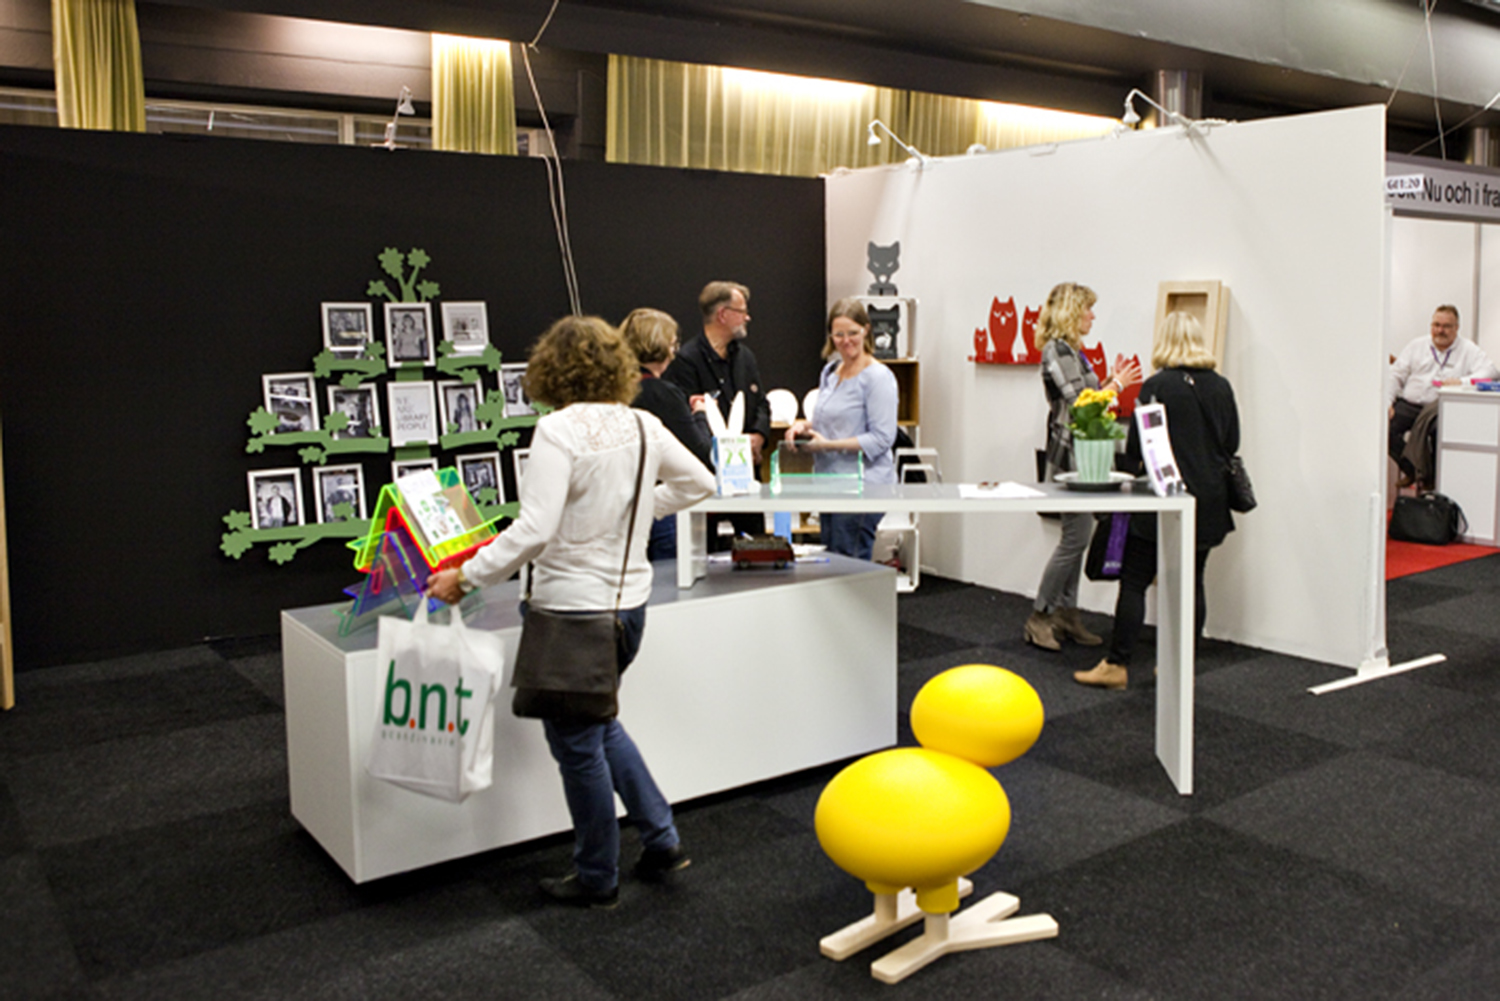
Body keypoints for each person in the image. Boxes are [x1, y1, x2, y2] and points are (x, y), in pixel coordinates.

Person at [427, 315, 715, 909]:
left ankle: (597, 874)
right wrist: (641, 511)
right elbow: (701, 483)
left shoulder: (557, 431)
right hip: (629, 608)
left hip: (571, 613)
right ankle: (661, 838)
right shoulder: (644, 424)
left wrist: (468, 576)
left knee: (577, 744)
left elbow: (535, 528)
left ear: (551, 370)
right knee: (598, 723)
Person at [1074, 312, 1240, 689]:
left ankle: (1117, 665)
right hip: (1209, 499)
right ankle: (1179, 666)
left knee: (1134, 579)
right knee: (1192, 581)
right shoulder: (1221, 387)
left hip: (1162, 495)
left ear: (1165, 341)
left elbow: (1137, 448)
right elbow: (1232, 442)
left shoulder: (1156, 387)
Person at [1025, 282, 1142, 651]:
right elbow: (1080, 405)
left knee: (1076, 537)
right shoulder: (1056, 351)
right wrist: (1116, 386)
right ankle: (1040, 615)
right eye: (1087, 309)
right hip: (1069, 458)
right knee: (1075, 539)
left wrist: (1108, 383)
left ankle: (1066, 613)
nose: (1092, 315)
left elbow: (1086, 398)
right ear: (1072, 313)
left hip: (1082, 456)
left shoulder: (1071, 351)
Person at [784, 298, 899, 560]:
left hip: (863, 487)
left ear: (866, 330)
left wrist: (827, 446)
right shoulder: (831, 372)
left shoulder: (878, 378)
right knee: (833, 560)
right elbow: (831, 421)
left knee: (850, 561)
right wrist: (803, 426)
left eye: (852, 333)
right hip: (829, 483)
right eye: (839, 334)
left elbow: (882, 438)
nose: (846, 341)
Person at [664, 281, 772, 548]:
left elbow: (761, 403)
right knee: (703, 550)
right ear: (723, 315)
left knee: (756, 546)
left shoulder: (745, 357)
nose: (747, 317)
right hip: (706, 476)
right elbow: (686, 418)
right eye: (742, 311)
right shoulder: (687, 361)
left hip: (746, 477)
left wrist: (758, 436)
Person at [621, 307, 715, 561]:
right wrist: (701, 415)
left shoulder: (616, 392)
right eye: (673, 344)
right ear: (661, 346)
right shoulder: (663, 394)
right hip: (659, 511)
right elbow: (701, 453)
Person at [1387, 305, 1497, 489]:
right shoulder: (1416, 346)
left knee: (1442, 434)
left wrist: (1462, 381)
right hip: (1410, 404)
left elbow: (1491, 372)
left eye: (1446, 326)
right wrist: (1388, 403)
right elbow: (1395, 375)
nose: (1440, 330)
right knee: (1385, 428)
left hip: (1440, 408)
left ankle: (1433, 482)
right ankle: (1413, 470)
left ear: (1456, 328)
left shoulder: (1468, 349)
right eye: (1436, 325)